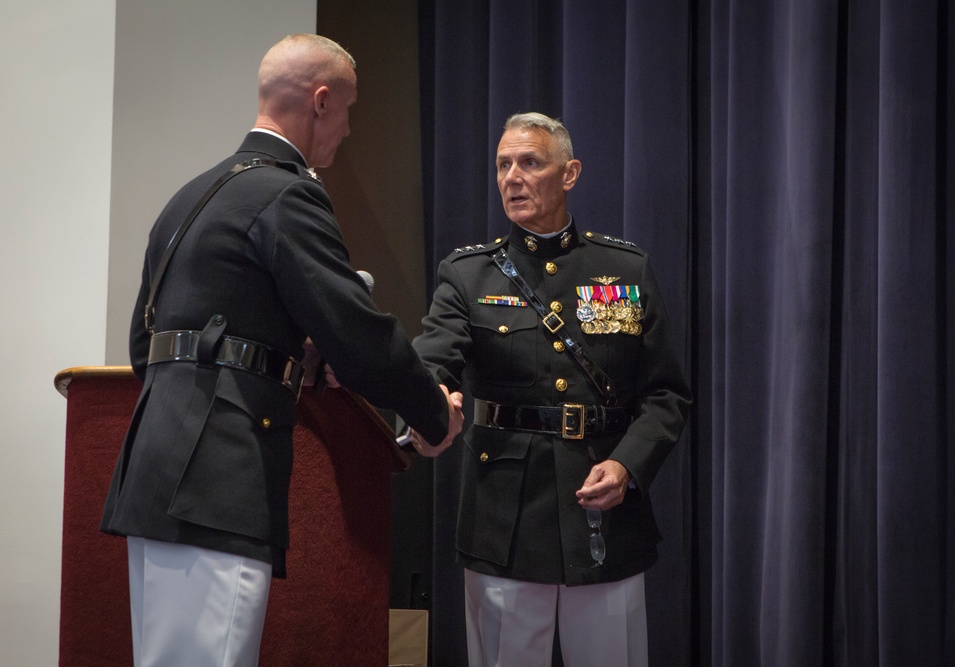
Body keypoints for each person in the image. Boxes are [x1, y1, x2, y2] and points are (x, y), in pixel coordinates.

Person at [100, 34, 463, 666]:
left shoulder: (188, 198)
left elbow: (143, 347)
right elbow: (355, 330)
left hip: (155, 479)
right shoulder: (289, 194)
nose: (347, 130)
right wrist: (432, 411)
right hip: (219, 480)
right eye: (348, 109)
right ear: (321, 101)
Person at [412, 112, 692, 666]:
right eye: (503, 165)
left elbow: (665, 395)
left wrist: (628, 467)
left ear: (570, 174)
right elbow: (433, 361)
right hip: (504, 523)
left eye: (530, 162)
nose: (512, 177)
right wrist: (428, 405)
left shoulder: (624, 269)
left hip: (604, 514)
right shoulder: (468, 275)